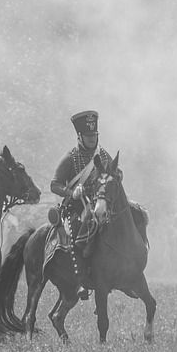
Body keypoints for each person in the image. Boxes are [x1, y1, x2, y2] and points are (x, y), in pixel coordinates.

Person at [50, 110, 113, 300]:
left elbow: (114, 173)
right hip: (76, 206)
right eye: (88, 136)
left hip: (99, 202)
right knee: (77, 231)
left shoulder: (103, 155)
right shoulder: (70, 157)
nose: (92, 139)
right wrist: (72, 193)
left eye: (94, 135)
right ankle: (81, 281)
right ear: (80, 136)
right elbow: (55, 185)